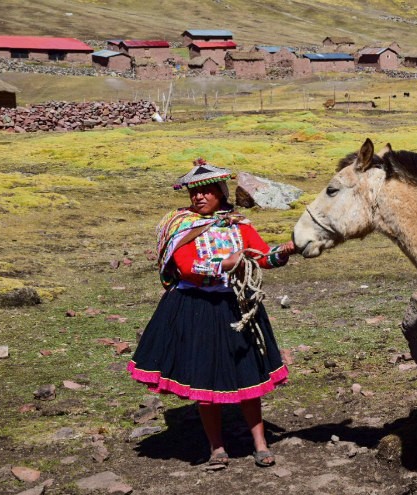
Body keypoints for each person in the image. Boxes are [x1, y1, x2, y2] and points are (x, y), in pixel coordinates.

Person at [127, 159, 296, 469]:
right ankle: (216, 448)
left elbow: (260, 256)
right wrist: (226, 264)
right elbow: (188, 269)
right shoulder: (181, 226)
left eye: (206, 191)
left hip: (237, 306)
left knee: (248, 375)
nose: (199, 198)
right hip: (197, 309)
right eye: (194, 193)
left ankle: (260, 443)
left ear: (221, 192)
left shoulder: (240, 224)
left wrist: (283, 251)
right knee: (204, 380)